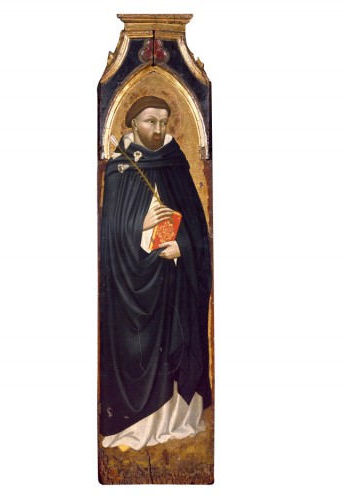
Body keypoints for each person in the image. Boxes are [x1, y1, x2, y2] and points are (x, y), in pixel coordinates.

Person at [99, 96, 212, 451]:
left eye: (163, 122)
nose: (158, 129)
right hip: (132, 287)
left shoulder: (175, 162)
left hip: (174, 282)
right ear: (133, 123)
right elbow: (106, 236)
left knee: (175, 345)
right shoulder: (119, 168)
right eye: (150, 121)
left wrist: (185, 248)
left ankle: (177, 421)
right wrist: (140, 224)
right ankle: (138, 427)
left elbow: (198, 228)